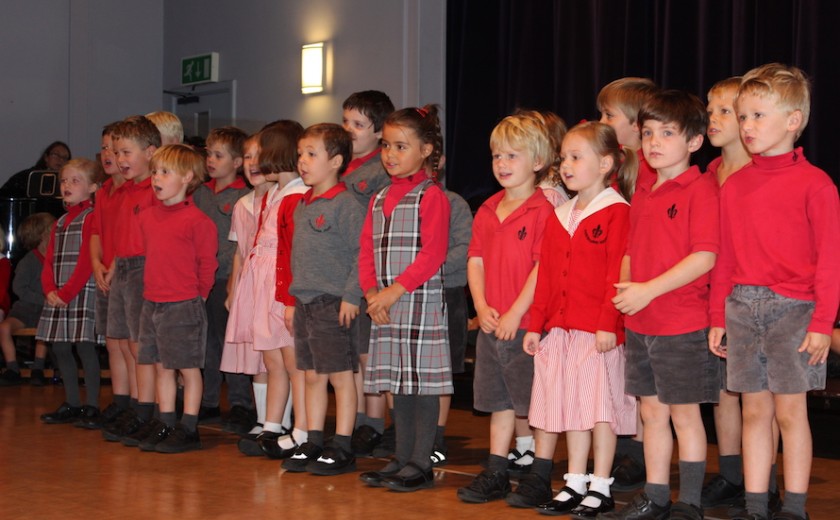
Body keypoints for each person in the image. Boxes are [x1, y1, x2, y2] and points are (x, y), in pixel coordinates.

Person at [710, 63, 840, 520]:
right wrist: (716, 316)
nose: (747, 126)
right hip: (742, 307)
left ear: (793, 120)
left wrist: (823, 323)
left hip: (794, 312)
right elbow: (724, 256)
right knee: (753, 414)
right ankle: (756, 504)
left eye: (758, 116)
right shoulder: (733, 185)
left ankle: (796, 508)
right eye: (742, 117)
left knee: (790, 414)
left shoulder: (816, 184)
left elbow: (830, 261)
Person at [509, 122, 637, 517]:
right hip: (559, 332)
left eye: (576, 157)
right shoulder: (560, 213)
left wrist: (607, 323)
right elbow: (546, 275)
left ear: (605, 163)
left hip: (595, 332)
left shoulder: (617, 212)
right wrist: (536, 324)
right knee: (571, 410)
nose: (566, 165)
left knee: (599, 410)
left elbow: (618, 272)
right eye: (564, 157)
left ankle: (601, 484)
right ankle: (575, 481)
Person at [604, 90, 719, 520]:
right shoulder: (646, 190)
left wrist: (649, 289)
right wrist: (630, 286)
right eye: (648, 132)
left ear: (694, 141)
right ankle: (655, 496)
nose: (654, 142)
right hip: (642, 321)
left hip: (681, 322)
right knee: (651, 412)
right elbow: (633, 248)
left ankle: (689, 502)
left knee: (686, 416)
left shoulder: (701, 188)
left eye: (667, 133)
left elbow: (704, 257)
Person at [456, 113, 554, 504]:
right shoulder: (487, 209)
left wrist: (515, 312)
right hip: (494, 323)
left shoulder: (543, 209)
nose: (502, 164)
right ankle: (496, 469)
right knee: (498, 402)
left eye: (513, 156)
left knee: (536, 403)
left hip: (528, 324)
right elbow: (475, 260)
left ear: (537, 162)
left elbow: (541, 266)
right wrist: (480, 305)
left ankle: (540, 474)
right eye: (497, 156)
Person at [356, 105, 451, 492]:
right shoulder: (378, 199)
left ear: (426, 150)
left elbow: (434, 252)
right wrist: (371, 293)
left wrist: (395, 290)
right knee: (399, 382)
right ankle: (401, 458)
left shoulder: (432, 197)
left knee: (421, 385)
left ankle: (420, 462)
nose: (390, 155)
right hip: (385, 306)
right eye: (386, 146)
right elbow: (365, 250)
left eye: (400, 146)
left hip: (418, 304)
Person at [278, 123, 364, 475]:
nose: (303, 161)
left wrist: (351, 295)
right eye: (300, 154)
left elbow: (362, 253)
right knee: (312, 375)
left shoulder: (346, 204)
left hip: (333, 302)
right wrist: (292, 299)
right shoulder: (302, 205)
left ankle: (342, 444)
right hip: (307, 302)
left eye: (312, 154)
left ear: (336, 161)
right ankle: (313, 439)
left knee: (340, 376)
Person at [224, 122, 309, 451]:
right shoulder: (275, 192)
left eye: (264, 153)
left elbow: (293, 249)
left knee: (293, 361)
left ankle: (301, 429)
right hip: (264, 282)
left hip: (281, 284)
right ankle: (272, 424)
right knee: (272, 359)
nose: (257, 162)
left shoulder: (298, 193)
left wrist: (288, 294)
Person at [596, 77, 659, 492]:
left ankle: (638, 451)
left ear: (637, 124)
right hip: (613, 279)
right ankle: (621, 445)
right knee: (620, 370)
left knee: (640, 375)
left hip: (642, 284)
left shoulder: (651, 174)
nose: (601, 121)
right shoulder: (613, 168)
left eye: (608, 115)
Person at [133, 144, 217, 453]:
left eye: (165, 172)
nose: (156, 177)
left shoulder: (197, 221)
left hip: (183, 304)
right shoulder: (148, 216)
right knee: (161, 366)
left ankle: (189, 427)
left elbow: (207, 265)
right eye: (155, 171)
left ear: (187, 178)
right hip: (152, 301)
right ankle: (166, 421)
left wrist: (197, 299)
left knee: (188, 368)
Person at [700, 76, 755, 511]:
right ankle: (731, 473)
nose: (713, 118)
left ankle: (763, 481)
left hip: (750, 296)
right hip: (711, 295)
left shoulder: (758, 173)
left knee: (757, 396)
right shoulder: (710, 173)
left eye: (724, 111)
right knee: (723, 390)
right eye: (711, 109)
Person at [340, 90, 396, 457]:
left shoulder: (381, 170)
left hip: (368, 274)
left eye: (358, 124)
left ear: (379, 132)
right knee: (353, 356)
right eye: (345, 122)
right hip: (341, 269)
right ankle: (361, 418)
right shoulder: (341, 164)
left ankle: (377, 424)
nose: (349, 130)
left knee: (369, 355)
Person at [100, 115, 161, 444]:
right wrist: (114, 263)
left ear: (150, 152)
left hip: (143, 270)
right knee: (122, 341)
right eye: (117, 153)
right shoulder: (125, 192)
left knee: (141, 345)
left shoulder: (154, 190)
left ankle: (146, 409)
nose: (120, 160)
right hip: (123, 268)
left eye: (127, 152)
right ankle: (134, 405)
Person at [192, 126, 254, 427]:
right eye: (209, 154)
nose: (211, 160)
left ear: (238, 162)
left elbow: (241, 242)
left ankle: (242, 403)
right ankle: (209, 400)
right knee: (207, 341)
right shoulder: (200, 193)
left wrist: (234, 278)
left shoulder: (244, 194)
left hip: (229, 277)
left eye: (219, 155)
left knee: (232, 340)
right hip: (201, 277)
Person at [37, 158, 102, 424]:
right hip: (59, 293)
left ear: (93, 187)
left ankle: (93, 405)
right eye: (64, 180)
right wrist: (50, 288)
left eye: (75, 180)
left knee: (85, 348)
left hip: (80, 291)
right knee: (60, 348)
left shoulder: (92, 218)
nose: (67, 185)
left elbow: (88, 261)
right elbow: (49, 260)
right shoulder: (60, 222)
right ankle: (73, 402)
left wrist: (67, 292)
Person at [83, 122, 135, 430]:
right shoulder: (104, 191)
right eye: (104, 148)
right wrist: (96, 264)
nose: (108, 154)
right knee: (112, 341)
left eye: (114, 149)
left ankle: (135, 405)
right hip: (105, 273)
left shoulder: (131, 190)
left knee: (129, 342)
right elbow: (96, 232)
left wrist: (113, 264)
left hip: (125, 270)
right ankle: (120, 398)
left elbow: (130, 234)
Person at [0, 213, 54, 386]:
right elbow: (19, 288)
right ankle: (12, 368)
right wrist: (40, 299)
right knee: (4, 328)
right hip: (25, 308)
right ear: (43, 234)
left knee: (43, 329)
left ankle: (38, 368)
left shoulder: (55, 258)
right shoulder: (29, 260)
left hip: (46, 310)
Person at [0, 141, 71, 199]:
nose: (60, 160)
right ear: (46, 157)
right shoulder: (28, 176)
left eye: (65, 158)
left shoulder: (68, 182)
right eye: (56, 154)